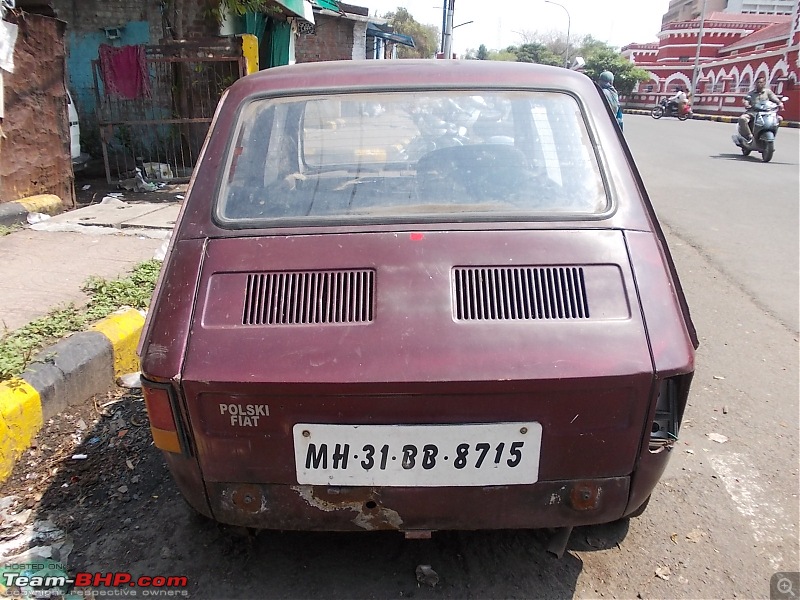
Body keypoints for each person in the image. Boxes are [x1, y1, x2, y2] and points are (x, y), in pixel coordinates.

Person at [737, 75, 784, 143]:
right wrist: (746, 104)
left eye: (761, 82)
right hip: (753, 112)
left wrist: (780, 103)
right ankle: (749, 136)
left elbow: (774, 98)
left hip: (766, 113)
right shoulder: (751, 93)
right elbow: (746, 99)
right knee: (742, 119)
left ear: (764, 83)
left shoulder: (768, 92)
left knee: (779, 119)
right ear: (755, 84)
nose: (759, 84)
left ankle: (773, 133)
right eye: (758, 82)